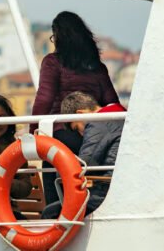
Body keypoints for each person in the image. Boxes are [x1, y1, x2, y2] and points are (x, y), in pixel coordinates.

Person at [31, 11, 120, 204]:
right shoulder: (97, 67)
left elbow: (44, 99)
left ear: (58, 37)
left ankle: (55, 211)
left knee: (51, 165)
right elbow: (111, 101)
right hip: (92, 134)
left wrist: (34, 132)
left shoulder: (53, 62)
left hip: (62, 131)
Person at [41, 91, 126, 219]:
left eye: (77, 128)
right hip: (119, 185)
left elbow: (86, 164)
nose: (81, 134)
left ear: (80, 114)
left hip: (104, 192)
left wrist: (60, 171)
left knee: (50, 212)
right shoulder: (120, 114)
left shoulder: (99, 123)